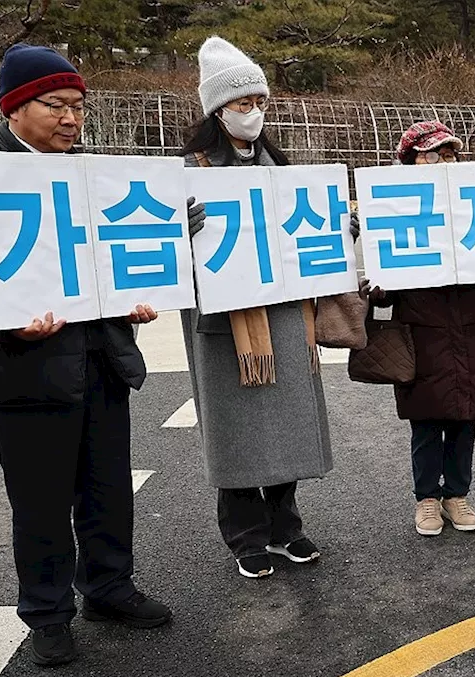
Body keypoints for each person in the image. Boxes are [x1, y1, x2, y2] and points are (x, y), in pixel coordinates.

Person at [0, 44, 171, 667]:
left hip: (101, 361)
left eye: (78, 107)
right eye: (53, 105)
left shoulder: (94, 176)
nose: (69, 119)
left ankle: (108, 589)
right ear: (12, 109)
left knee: (107, 488)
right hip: (22, 372)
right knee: (39, 501)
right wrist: (6, 325)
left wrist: (140, 296)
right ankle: (48, 613)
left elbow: (119, 260)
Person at [181, 36, 333, 578]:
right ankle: (246, 536)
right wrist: (182, 229)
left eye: (259, 102)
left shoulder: (281, 161)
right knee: (238, 431)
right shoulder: (190, 168)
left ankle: (285, 526)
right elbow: (158, 245)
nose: (253, 114)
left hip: (286, 312)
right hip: (224, 319)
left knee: (287, 423)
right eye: (242, 104)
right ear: (217, 110)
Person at [368, 121, 475, 536]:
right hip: (421, 335)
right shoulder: (392, 212)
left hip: (472, 332)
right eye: (433, 155)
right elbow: (381, 291)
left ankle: (457, 494)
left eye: (450, 155)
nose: (443, 163)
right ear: (410, 161)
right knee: (425, 422)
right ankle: (427, 500)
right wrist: (375, 286)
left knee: (464, 420)